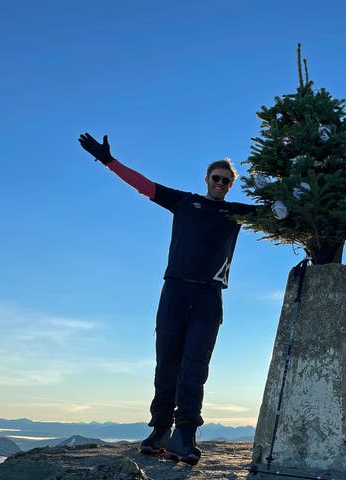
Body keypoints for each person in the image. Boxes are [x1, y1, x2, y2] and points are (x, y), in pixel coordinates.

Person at [78, 133, 255, 465]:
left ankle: (184, 436)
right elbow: (144, 186)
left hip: (209, 295)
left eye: (226, 181)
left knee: (195, 368)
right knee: (167, 364)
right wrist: (107, 160)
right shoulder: (185, 202)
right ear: (207, 179)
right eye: (216, 178)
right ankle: (160, 430)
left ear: (231, 186)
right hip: (174, 290)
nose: (220, 184)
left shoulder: (236, 212)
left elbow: (278, 213)